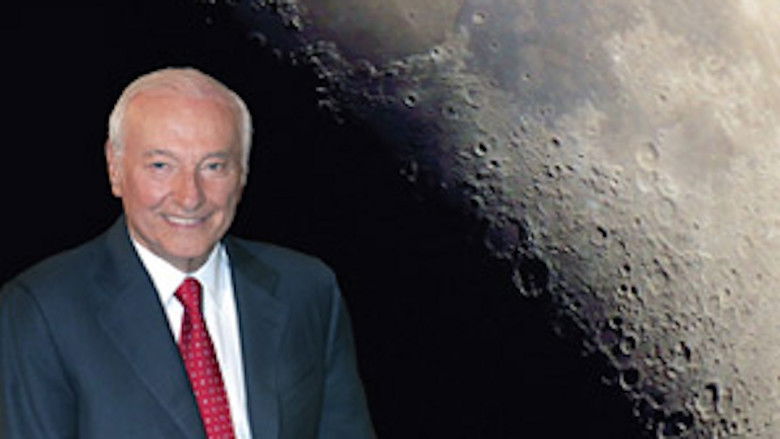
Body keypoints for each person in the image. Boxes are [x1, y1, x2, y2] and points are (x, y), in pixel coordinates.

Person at [0, 67, 375, 439]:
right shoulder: (43, 310)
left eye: (214, 166)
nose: (190, 197)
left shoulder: (307, 290)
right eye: (161, 166)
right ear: (115, 168)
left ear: (242, 174)